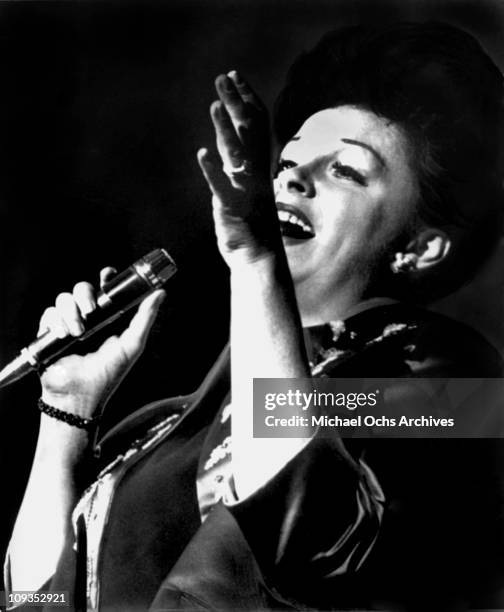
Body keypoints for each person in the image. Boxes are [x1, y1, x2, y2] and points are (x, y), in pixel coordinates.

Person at [5, 21, 504, 611]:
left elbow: (307, 530)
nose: (290, 177)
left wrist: (253, 258)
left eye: (345, 170)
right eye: (288, 161)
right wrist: (66, 417)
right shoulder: (165, 425)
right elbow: (30, 606)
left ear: (420, 248)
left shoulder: (464, 394)